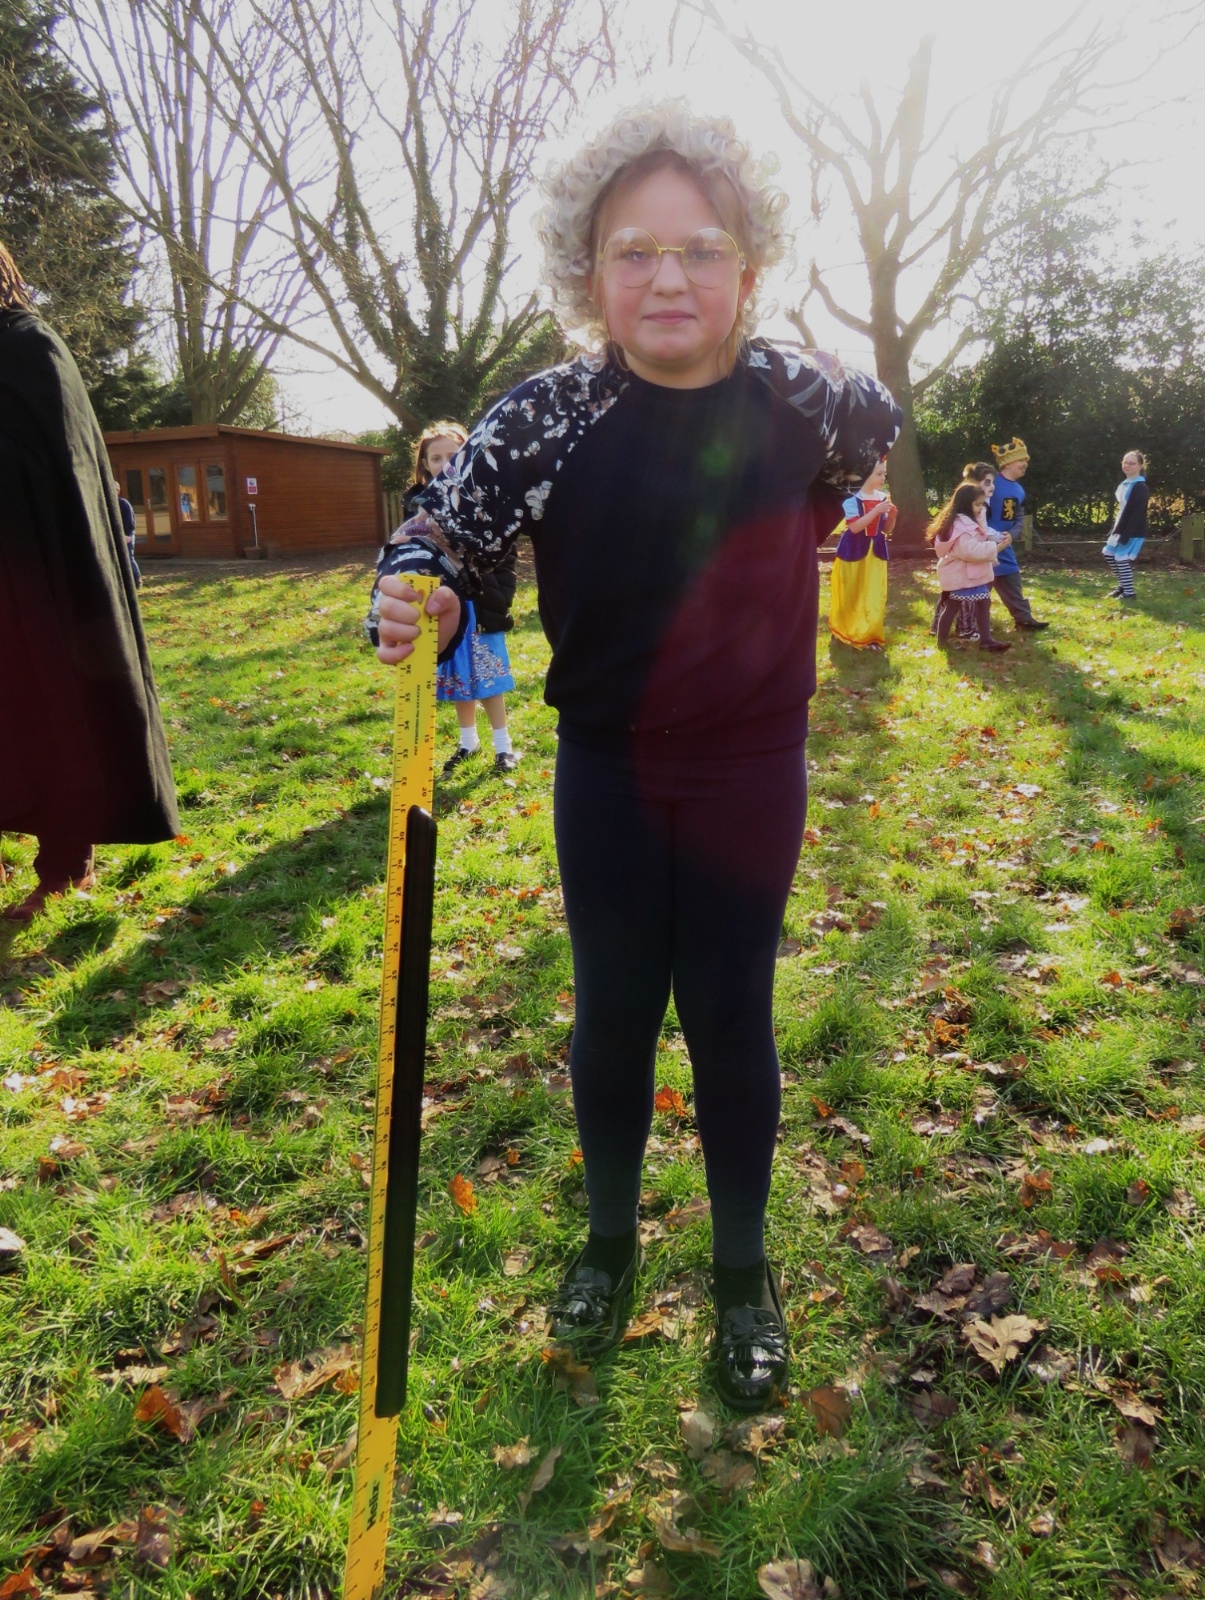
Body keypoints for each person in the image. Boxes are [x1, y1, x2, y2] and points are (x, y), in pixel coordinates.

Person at [368, 104, 901, 1412]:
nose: (669, 278)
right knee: (612, 1009)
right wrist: (424, 594)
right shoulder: (546, 415)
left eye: (702, 249)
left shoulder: (802, 398)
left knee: (729, 1011)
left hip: (752, 765)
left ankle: (741, 1271)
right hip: (607, 767)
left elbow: (866, 436)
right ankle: (607, 1244)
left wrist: (815, 519)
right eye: (634, 252)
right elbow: (445, 536)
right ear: (586, 270)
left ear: (749, 270)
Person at [0, 241, 178, 921]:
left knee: (56, 715)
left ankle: (65, 867)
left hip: (39, 580)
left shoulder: (30, 347)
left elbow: (59, 472)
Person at [403, 423, 520, 775]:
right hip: (444, 608)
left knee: (489, 677)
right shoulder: (419, 507)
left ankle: (504, 747)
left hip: (481, 604)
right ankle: (468, 742)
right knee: (458, 676)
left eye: (452, 455)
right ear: (425, 465)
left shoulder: (485, 497)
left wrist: (499, 593)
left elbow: (503, 551)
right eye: (435, 458)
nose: (444, 463)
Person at [928, 482, 1012, 652]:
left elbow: (983, 532)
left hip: (971, 573)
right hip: (960, 574)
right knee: (952, 606)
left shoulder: (968, 522)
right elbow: (970, 552)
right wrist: (997, 548)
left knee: (983, 602)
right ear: (966, 504)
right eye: (978, 504)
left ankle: (986, 640)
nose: (981, 508)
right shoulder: (961, 527)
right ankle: (942, 642)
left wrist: (998, 537)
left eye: (982, 504)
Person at [828, 456, 896, 650]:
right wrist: (876, 511)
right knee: (851, 593)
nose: (883, 477)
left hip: (875, 554)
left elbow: (886, 529)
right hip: (853, 553)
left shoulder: (882, 497)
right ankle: (843, 629)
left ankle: (870, 636)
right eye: (879, 474)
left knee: (873, 594)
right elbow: (855, 527)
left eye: (884, 473)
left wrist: (892, 517)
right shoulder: (851, 499)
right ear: (866, 474)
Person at [985, 438, 1048, 630]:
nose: (1025, 464)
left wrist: (1012, 535)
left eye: (1026, 461)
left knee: (1011, 578)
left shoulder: (1019, 490)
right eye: (1021, 460)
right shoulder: (990, 482)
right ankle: (964, 622)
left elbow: (1019, 518)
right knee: (977, 586)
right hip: (983, 544)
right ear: (1007, 463)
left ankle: (1024, 620)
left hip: (1005, 544)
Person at [1102, 450, 1149, 602]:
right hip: (1120, 527)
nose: (1127, 465)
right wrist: (1116, 529)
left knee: (1121, 559)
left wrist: (1125, 534)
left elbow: (1136, 514)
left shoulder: (1140, 487)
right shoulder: (1125, 484)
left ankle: (1129, 593)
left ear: (1140, 466)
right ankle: (1123, 585)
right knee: (1109, 554)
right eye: (1125, 462)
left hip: (1132, 530)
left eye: (1132, 463)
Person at [115, 479, 141, 588]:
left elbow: (130, 521)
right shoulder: (107, 504)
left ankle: (136, 580)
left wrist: (127, 535)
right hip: (116, 534)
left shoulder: (124, 504)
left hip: (127, 534)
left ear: (118, 490)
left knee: (128, 557)